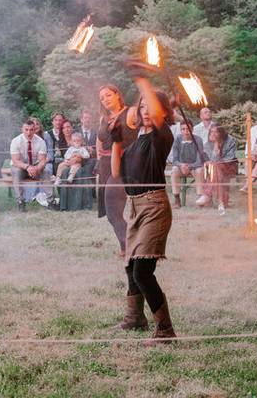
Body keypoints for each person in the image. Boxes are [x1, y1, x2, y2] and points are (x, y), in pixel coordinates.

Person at [116, 74, 176, 344]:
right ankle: (134, 318)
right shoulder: (135, 138)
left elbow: (156, 114)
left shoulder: (162, 137)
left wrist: (141, 78)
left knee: (143, 271)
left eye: (151, 107)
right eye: (142, 107)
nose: (146, 111)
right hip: (135, 206)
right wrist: (116, 141)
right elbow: (119, 174)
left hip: (154, 206)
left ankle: (165, 331)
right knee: (130, 266)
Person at [98, 84, 138, 255]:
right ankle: (126, 246)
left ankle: (131, 246)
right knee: (111, 213)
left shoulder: (131, 113)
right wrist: (99, 157)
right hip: (106, 165)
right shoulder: (103, 119)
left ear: (117, 95)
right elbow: (99, 140)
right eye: (102, 98)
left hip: (125, 165)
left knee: (114, 211)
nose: (105, 99)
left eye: (108, 95)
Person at [10, 119, 51, 211]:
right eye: (26, 129)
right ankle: (20, 202)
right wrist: (28, 167)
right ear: (22, 129)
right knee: (16, 172)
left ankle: (51, 201)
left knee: (46, 172)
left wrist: (36, 168)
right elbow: (15, 161)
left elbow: (43, 160)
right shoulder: (16, 141)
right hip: (20, 167)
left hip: (35, 166)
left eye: (31, 130)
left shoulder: (40, 141)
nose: (29, 133)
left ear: (35, 129)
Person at [202, 124, 237, 214]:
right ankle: (221, 202)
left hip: (229, 167)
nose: (213, 134)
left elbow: (229, 158)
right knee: (214, 168)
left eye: (216, 131)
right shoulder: (208, 144)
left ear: (221, 133)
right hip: (215, 170)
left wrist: (217, 144)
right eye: (211, 131)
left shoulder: (231, 141)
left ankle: (207, 194)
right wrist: (215, 145)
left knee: (214, 167)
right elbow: (213, 160)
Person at [56, 129, 94, 211]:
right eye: (74, 141)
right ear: (72, 142)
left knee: (75, 168)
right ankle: (58, 178)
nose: (76, 142)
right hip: (69, 163)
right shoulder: (70, 149)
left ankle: (71, 176)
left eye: (78, 141)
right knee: (61, 165)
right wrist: (70, 158)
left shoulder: (82, 149)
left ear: (81, 141)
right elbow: (66, 156)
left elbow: (87, 156)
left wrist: (80, 155)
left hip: (78, 165)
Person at [169, 121, 204, 209]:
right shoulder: (177, 139)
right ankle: (177, 199)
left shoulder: (198, 140)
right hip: (181, 167)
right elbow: (175, 159)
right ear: (180, 130)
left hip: (194, 167)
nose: (186, 131)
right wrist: (181, 165)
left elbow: (199, 160)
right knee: (174, 171)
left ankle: (200, 198)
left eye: (188, 129)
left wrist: (190, 166)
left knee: (200, 171)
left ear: (192, 129)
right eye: (183, 129)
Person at [43, 112, 67, 180]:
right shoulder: (47, 134)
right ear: (52, 122)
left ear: (63, 121)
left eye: (60, 120)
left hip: (64, 160)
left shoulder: (66, 133)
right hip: (51, 161)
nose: (58, 122)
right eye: (56, 120)